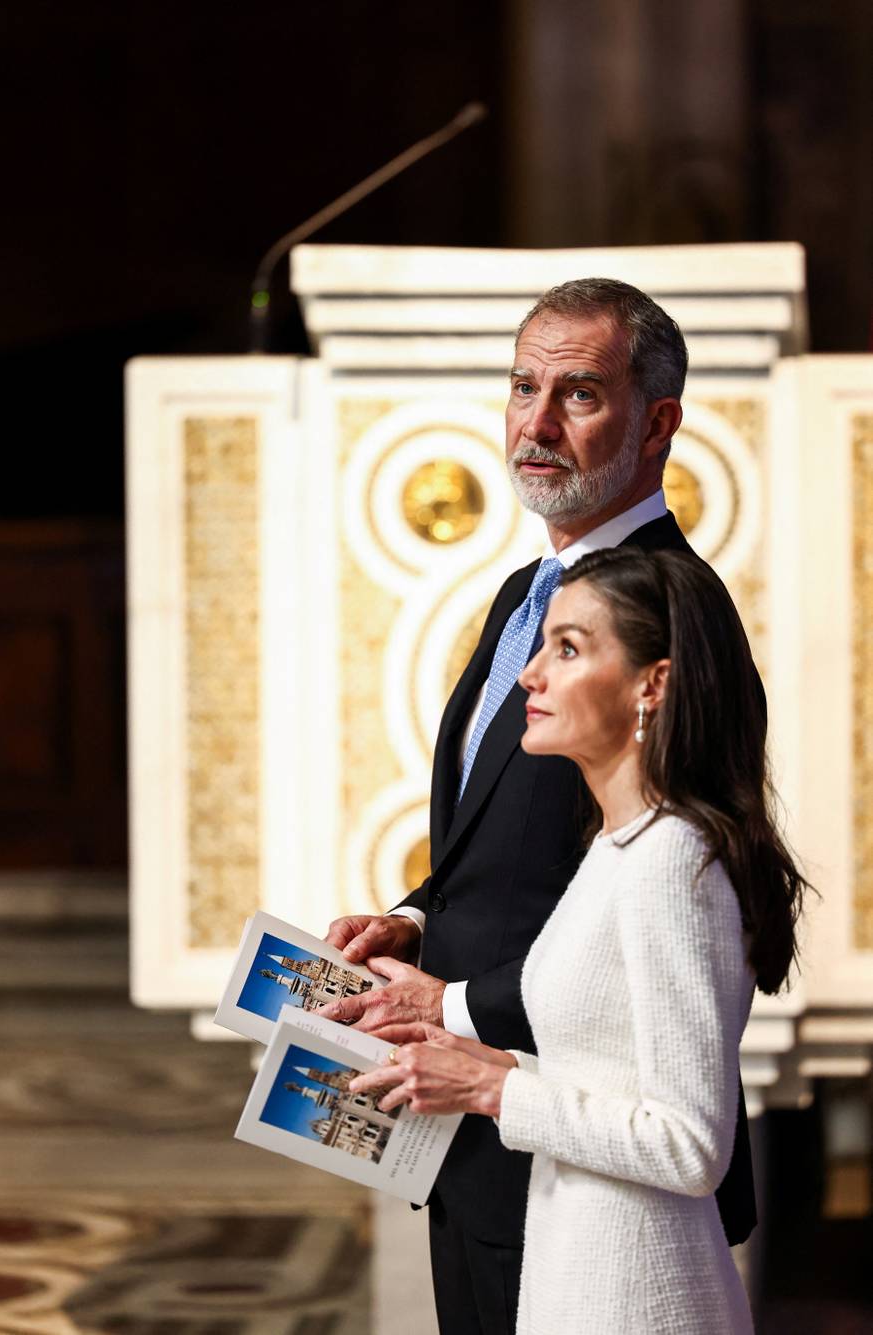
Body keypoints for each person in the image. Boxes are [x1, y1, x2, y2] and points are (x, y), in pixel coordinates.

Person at [320, 278, 757, 1334]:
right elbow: (506, 848)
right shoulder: (526, 596)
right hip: (471, 1131)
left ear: (656, 425)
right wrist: (419, 918)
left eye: (577, 395)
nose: (535, 423)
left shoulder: (671, 621)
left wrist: (452, 1010)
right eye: (522, 388)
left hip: (577, 1133)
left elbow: (671, 880)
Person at [349, 546, 806, 1333]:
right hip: (576, 1266)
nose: (531, 675)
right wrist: (485, 1060)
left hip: (636, 1289)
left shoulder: (674, 861)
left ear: (650, 684)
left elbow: (691, 1145)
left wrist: (493, 1090)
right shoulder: (620, 843)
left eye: (568, 649)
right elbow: (607, 1069)